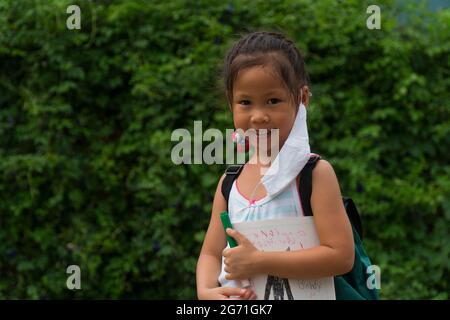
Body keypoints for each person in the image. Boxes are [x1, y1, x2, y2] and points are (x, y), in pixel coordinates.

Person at [196, 31, 354, 300]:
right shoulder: (229, 183)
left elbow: (340, 256)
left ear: (302, 99)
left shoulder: (313, 175)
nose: (258, 116)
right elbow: (211, 253)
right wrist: (205, 291)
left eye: (273, 101)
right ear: (230, 103)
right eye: (245, 102)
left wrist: (259, 261)